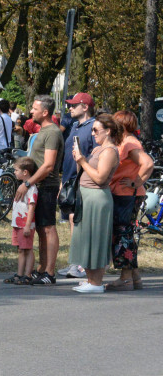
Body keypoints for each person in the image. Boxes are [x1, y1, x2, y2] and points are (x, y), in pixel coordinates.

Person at [68, 114, 120, 293]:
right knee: (86, 239)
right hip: (87, 196)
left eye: (96, 130)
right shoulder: (98, 149)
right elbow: (87, 172)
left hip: (97, 198)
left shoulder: (110, 151)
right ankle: (90, 279)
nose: (92, 133)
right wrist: (79, 160)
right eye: (92, 130)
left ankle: (96, 283)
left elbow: (100, 178)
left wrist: (82, 160)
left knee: (96, 239)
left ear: (108, 131)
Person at [15, 95, 63, 285]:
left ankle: (49, 272)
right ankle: (42, 269)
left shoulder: (52, 132)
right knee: (41, 230)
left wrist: (27, 183)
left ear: (45, 112)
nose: (31, 111)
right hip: (38, 185)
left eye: (35, 108)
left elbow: (49, 165)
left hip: (47, 186)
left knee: (48, 228)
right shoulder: (43, 131)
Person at [107, 110, 154, 291]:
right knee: (125, 234)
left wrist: (136, 182)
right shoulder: (126, 142)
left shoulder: (129, 143)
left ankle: (125, 278)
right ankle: (134, 277)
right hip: (126, 193)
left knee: (122, 234)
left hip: (126, 194)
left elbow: (147, 163)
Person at [58, 92, 96, 279]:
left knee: (80, 222)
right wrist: (63, 181)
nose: (70, 108)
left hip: (84, 181)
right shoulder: (74, 126)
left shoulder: (93, 127)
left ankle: (82, 265)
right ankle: (74, 262)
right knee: (72, 221)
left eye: (74, 105)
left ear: (85, 107)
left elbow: (97, 155)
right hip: (69, 182)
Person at [4, 157, 39, 285]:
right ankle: (19, 274)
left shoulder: (32, 189)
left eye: (16, 170)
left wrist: (28, 226)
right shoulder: (21, 186)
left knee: (28, 249)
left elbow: (32, 207)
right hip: (18, 224)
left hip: (25, 224)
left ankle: (28, 274)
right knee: (20, 249)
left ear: (25, 172)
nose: (14, 172)